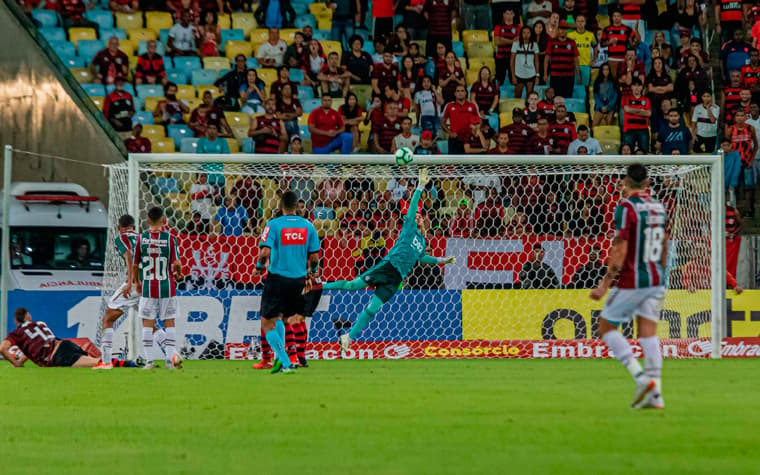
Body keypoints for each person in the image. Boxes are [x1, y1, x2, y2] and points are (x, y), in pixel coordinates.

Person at [309, 169, 455, 352]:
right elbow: (410, 211)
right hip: (387, 267)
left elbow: (423, 257)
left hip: (395, 279)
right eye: (416, 216)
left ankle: (348, 337)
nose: (418, 217)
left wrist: (444, 261)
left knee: (372, 309)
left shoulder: (423, 242)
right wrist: (419, 186)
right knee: (352, 286)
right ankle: (319, 285)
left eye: (421, 217)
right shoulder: (409, 229)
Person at [590, 164, 667, 410]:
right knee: (648, 332)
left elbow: (620, 248)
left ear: (625, 182)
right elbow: (664, 244)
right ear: (646, 183)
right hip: (656, 276)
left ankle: (640, 377)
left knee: (605, 326)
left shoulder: (626, 208)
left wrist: (605, 284)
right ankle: (656, 395)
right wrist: (661, 272)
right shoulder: (658, 207)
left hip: (633, 279)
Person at [254, 191, 320, 374]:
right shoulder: (308, 226)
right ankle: (285, 359)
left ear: (281, 204)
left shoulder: (273, 225)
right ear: (296, 205)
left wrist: (259, 267)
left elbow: (264, 254)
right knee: (284, 319)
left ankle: (285, 361)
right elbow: (314, 257)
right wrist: (313, 272)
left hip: (277, 279)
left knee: (267, 323)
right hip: (298, 280)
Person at [97, 214, 166, 370]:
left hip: (136, 283)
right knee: (149, 323)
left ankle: (106, 361)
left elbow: (129, 256)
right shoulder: (144, 237)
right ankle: (173, 354)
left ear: (118, 227)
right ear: (134, 227)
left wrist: (130, 282)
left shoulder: (121, 238)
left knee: (108, 318)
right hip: (150, 282)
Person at [127, 206, 183, 370]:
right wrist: (178, 273)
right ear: (164, 220)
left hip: (148, 287)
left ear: (148, 220)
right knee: (169, 323)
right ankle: (169, 362)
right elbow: (177, 263)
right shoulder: (170, 239)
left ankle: (149, 362)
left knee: (147, 324)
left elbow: (135, 264)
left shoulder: (141, 238)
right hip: (167, 286)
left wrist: (137, 281)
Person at [0, 308, 137, 368]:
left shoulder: (16, 333)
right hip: (64, 344)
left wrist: (16, 363)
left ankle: (128, 364)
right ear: (27, 317)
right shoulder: (39, 324)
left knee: (97, 363)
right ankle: (129, 364)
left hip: (58, 356)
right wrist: (23, 359)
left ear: (16, 321)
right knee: (95, 361)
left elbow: (2, 349)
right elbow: (38, 345)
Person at [544, 20, 580, 99]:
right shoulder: (552, 42)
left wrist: (578, 74)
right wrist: (545, 74)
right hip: (555, 75)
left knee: (567, 98)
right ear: (558, 30)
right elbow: (547, 59)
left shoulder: (572, 42)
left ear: (567, 30)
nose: (563, 31)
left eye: (565, 29)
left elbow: (576, 59)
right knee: (555, 98)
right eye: (561, 28)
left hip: (569, 76)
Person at [441, 85, 480, 155]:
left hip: (469, 140)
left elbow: (478, 122)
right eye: (458, 91)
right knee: (454, 163)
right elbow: (443, 122)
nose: (460, 93)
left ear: (466, 93)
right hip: (454, 140)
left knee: (468, 164)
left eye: (462, 91)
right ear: (455, 93)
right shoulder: (449, 106)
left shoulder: (472, 106)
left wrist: (475, 131)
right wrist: (450, 133)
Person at [621, 79, 651, 153]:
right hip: (629, 129)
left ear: (642, 87)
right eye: (635, 85)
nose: (637, 87)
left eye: (639, 85)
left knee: (644, 152)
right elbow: (626, 109)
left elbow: (648, 113)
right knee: (628, 153)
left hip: (643, 129)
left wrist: (632, 110)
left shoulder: (646, 100)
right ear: (631, 87)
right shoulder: (626, 98)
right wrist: (641, 111)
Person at [511, 26, 540, 99]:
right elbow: (512, 61)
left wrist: (537, 75)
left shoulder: (535, 45)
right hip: (518, 74)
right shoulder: (516, 44)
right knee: (517, 96)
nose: (526, 35)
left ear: (531, 34)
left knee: (529, 97)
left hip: (531, 74)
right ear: (521, 34)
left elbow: (536, 61)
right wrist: (513, 76)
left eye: (528, 33)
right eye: (524, 33)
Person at [494, 9, 519, 85]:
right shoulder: (498, 27)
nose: (509, 16)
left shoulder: (518, 27)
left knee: (514, 80)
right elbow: (497, 42)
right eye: (507, 13)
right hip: (500, 57)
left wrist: (503, 39)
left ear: (514, 15)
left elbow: (517, 42)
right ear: (503, 15)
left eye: (511, 13)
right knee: (499, 80)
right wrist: (512, 41)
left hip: (513, 57)